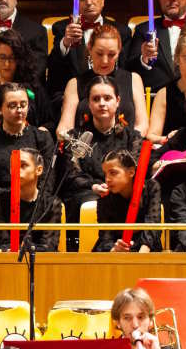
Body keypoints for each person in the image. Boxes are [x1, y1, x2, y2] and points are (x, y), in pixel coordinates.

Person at [59, 75, 145, 239]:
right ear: (89, 104)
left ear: (117, 100)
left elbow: (134, 172)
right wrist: (94, 186)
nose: (102, 103)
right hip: (85, 193)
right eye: (96, 99)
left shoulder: (132, 137)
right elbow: (71, 174)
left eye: (107, 98)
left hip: (122, 194)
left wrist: (115, 186)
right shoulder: (75, 136)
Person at [0, 84, 56, 218]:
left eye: (23, 105)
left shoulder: (42, 138)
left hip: (32, 201)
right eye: (12, 106)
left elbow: (47, 182)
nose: (19, 110)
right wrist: (9, 197)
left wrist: (25, 197)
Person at [57, 24, 149, 139]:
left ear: (119, 51)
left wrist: (127, 144)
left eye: (111, 54)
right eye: (99, 54)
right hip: (85, 150)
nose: (105, 61)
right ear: (89, 48)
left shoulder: (133, 79)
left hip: (124, 150)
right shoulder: (74, 83)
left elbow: (142, 125)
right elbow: (64, 127)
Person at [45, 0, 130, 101]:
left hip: (109, 98)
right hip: (73, 98)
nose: (89, 2)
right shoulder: (62, 28)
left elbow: (124, 71)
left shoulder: (122, 32)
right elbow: (53, 69)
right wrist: (65, 43)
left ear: (103, 0)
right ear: (75, 2)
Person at [0, 147, 63, 252]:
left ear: (38, 170)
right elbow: (4, 243)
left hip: (42, 263)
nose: (16, 170)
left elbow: (49, 246)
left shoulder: (52, 204)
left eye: (23, 165)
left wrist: (27, 249)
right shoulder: (0, 202)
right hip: (11, 262)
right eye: (14, 166)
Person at [93, 150, 162, 253]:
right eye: (105, 174)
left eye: (113, 173)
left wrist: (142, 253)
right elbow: (105, 237)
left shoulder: (151, 187)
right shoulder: (105, 195)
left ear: (131, 172)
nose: (107, 179)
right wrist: (115, 249)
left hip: (146, 245)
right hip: (115, 247)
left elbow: (153, 224)